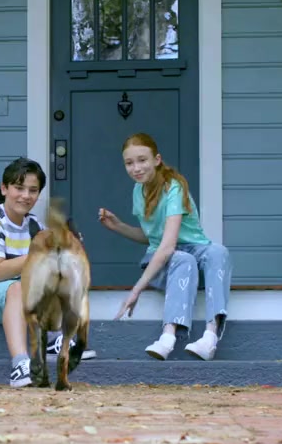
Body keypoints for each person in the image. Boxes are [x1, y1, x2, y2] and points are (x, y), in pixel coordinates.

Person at [97, 132, 232, 360]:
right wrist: (118, 226)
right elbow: (154, 238)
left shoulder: (173, 188)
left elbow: (167, 245)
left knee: (218, 251)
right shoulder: (138, 191)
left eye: (142, 160)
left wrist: (136, 290)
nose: (136, 168)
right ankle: (167, 337)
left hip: (190, 253)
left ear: (157, 160)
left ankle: (210, 337)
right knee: (182, 259)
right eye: (129, 163)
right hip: (171, 261)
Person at [0, 157, 94, 387]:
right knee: (17, 287)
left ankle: (54, 339)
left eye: (33, 190)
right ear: (4, 188)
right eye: (19, 188)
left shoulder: (34, 224)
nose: (26, 195)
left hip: (19, 288)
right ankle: (20, 365)